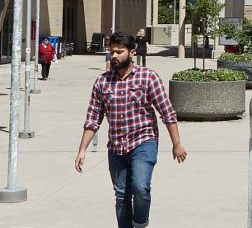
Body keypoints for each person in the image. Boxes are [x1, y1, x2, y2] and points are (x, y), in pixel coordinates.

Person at [76, 32, 187, 228]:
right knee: (121, 196)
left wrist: (176, 143)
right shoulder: (102, 82)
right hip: (117, 147)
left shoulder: (148, 77)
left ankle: (140, 223)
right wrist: (82, 150)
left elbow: (167, 112)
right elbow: (93, 118)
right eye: (112, 52)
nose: (115, 56)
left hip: (144, 141)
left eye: (120, 51)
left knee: (140, 187)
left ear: (132, 52)